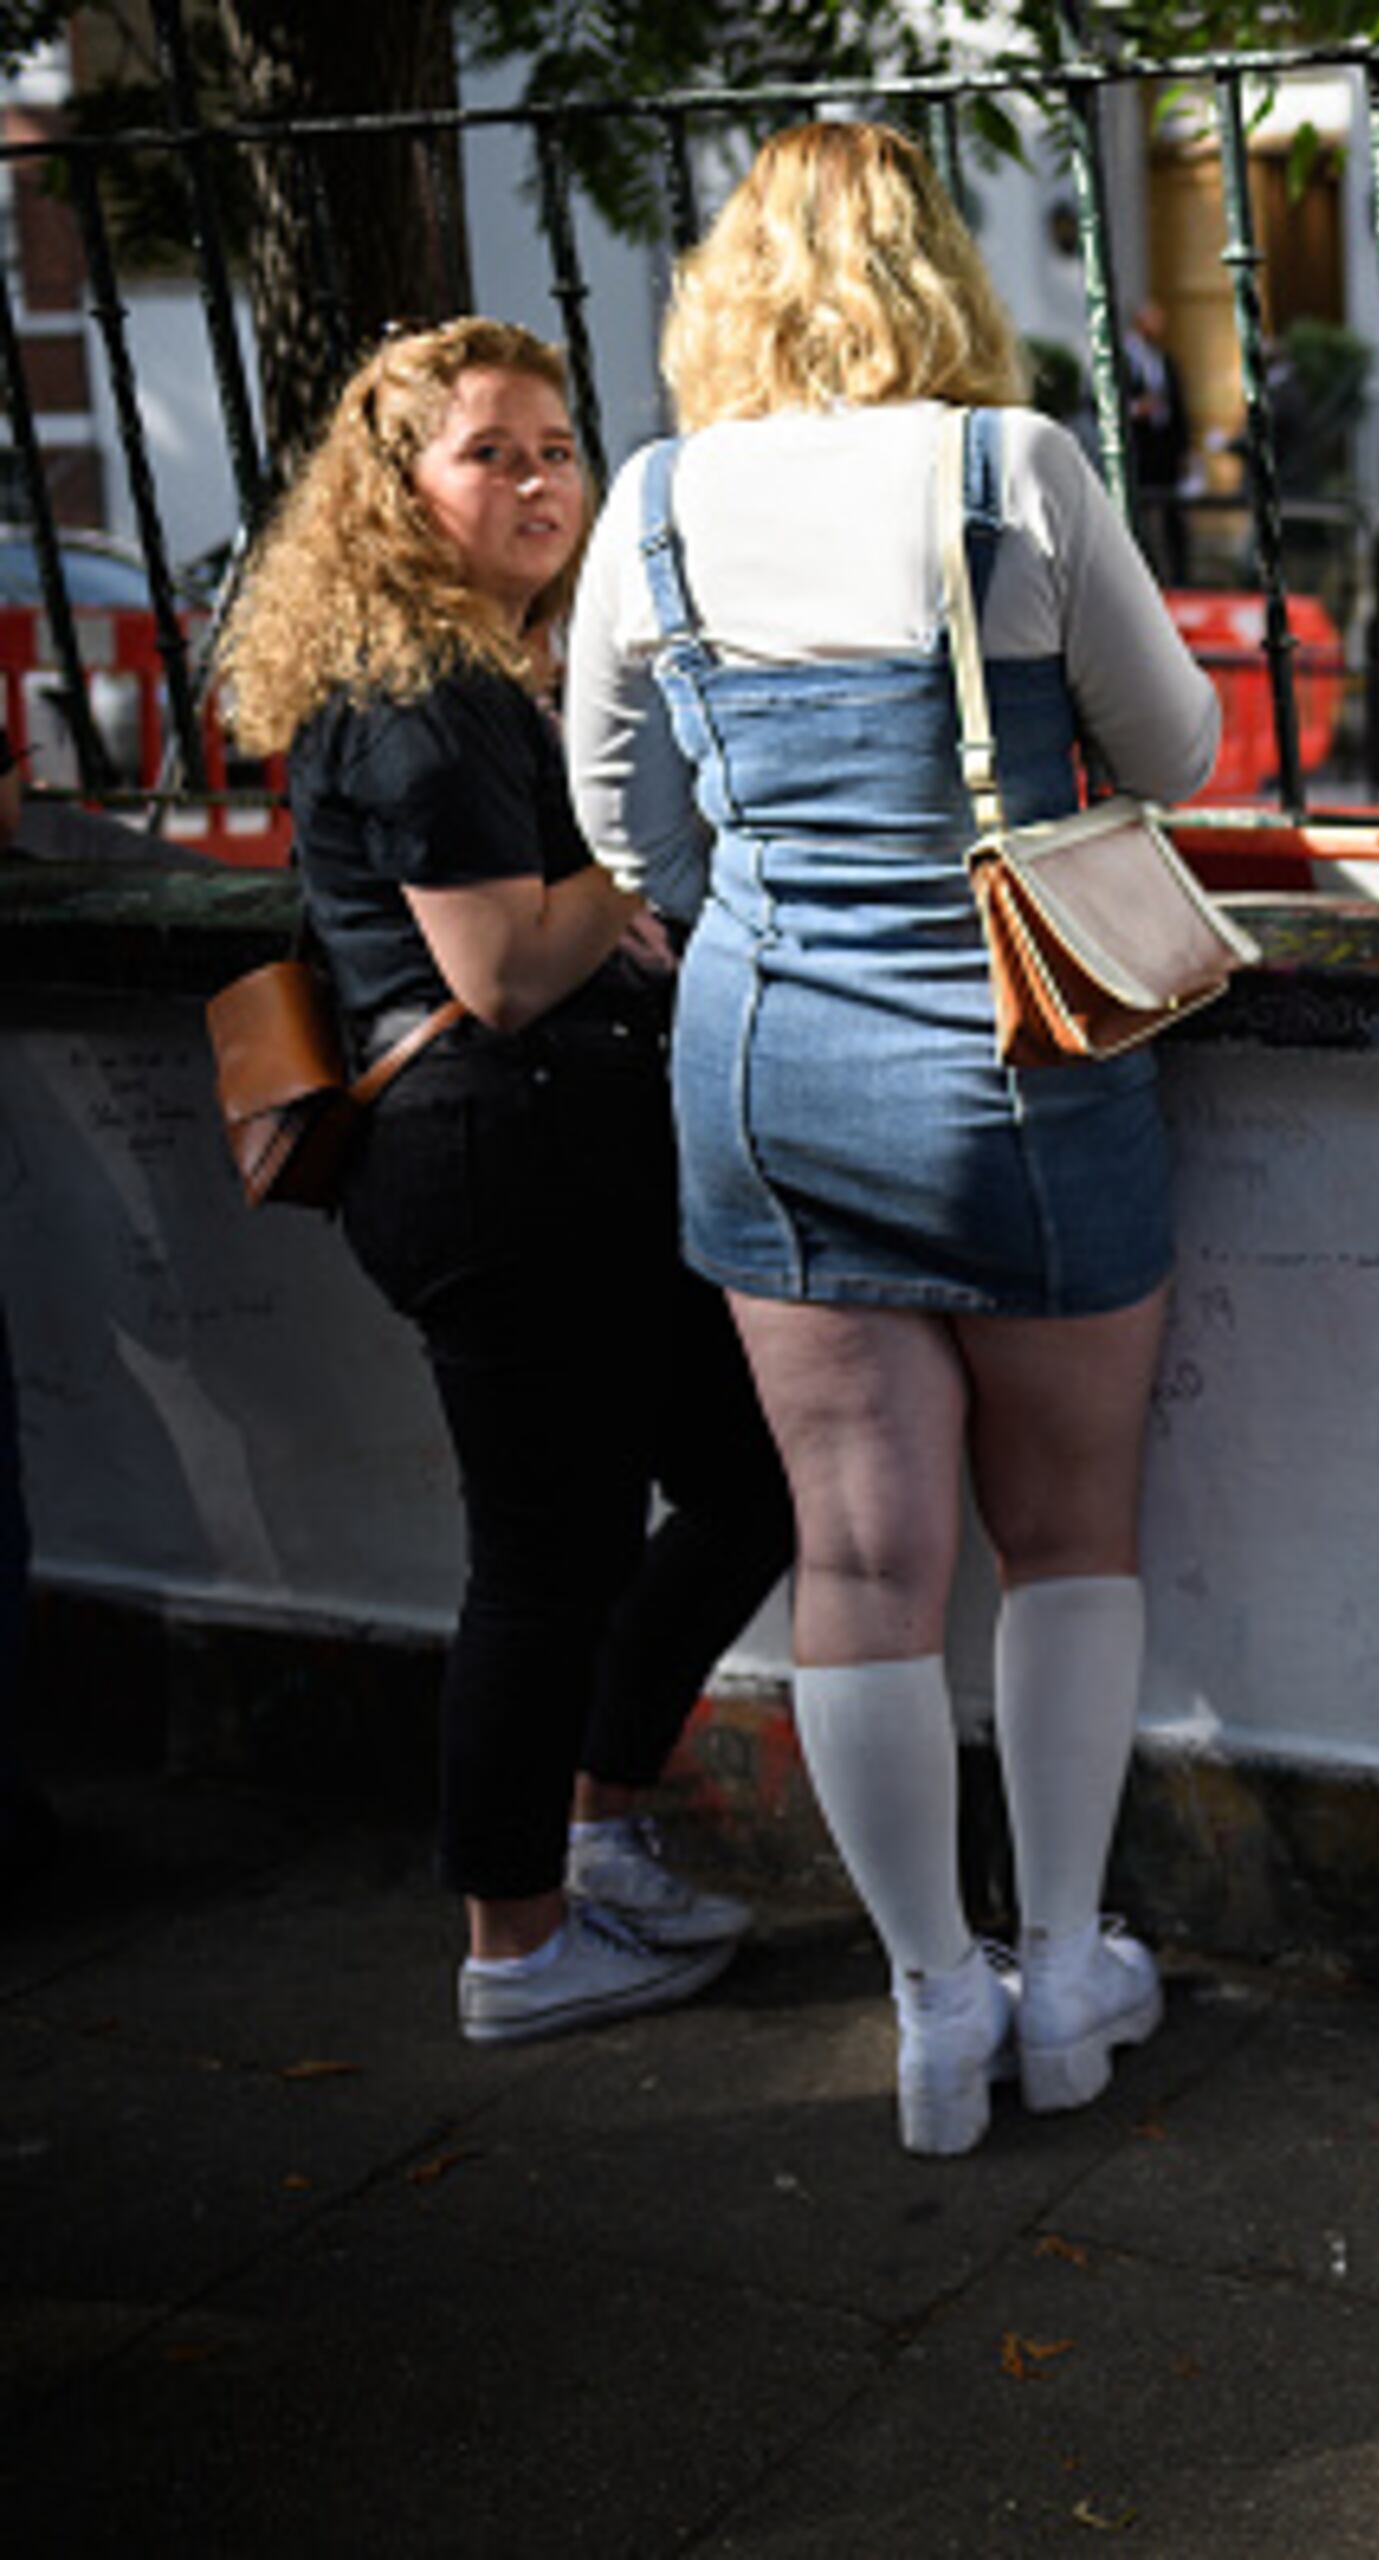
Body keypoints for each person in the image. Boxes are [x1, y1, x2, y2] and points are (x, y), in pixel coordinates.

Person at [565, 124, 1221, 2158]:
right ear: (932, 270)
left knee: (855, 1549)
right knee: (1066, 1527)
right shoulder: (1003, 467)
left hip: (770, 1067)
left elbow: (621, 821)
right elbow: (1184, 747)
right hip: (1019, 1059)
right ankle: (1071, 1972)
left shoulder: (654, 500)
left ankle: (936, 2003)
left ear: (724, 292)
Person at [214, 318, 795, 2039]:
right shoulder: (419, 700)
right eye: (492, 452)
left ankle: (599, 1837)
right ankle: (516, 1946)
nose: (541, 480)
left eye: (556, 447)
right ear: (398, 494)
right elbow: (500, 974)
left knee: (752, 1487)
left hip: (565, 1170)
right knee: (543, 1564)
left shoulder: (483, 675)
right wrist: (633, 839)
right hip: (496, 1170)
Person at [1120, 300, 1190, 579]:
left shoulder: (1165, 360)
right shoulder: (1121, 358)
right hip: (1139, 449)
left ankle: (1179, 574)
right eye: (1154, 320)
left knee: (1173, 514)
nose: (1160, 327)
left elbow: (1179, 407)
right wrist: (1137, 409)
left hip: (1165, 451)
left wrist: (1183, 449)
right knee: (1142, 511)